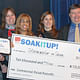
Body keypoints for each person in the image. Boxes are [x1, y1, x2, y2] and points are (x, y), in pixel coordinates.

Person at [0, 7, 16, 80]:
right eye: (7, 16)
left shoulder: (20, 31)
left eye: (12, 15)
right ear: (4, 18)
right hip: (4, 68)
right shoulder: (0, 31)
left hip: (19, 68)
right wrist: (2, 62)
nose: (10, 18)